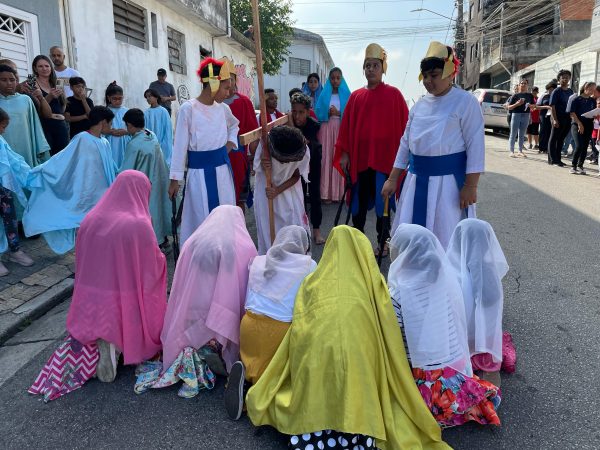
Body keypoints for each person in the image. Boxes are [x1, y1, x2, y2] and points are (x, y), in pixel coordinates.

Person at [246, 226, 450, 450]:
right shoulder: (374, 287)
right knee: (362, 371)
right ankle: (355, 432)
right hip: (360, 378)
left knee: (304, 378)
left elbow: (300, 326)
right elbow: (388, 329)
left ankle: (314, 434)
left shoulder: (311, 282)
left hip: (316, 374)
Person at [29, 170, 167, 401]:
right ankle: (127, 344)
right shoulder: (138, 224)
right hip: (124, 293)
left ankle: (106, 342)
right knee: (144, 294)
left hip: (91, 295)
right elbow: (150, 267)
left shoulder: (91, 218)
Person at [388, 224, 501, 428]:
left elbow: (389, 342)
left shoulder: (397, 295)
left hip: (424, 381)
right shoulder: (443, 282)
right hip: (455, 372)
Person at [145, 206, 257, 398]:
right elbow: (245, 286)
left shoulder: (193, 241)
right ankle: (216, 350)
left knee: (194, 330)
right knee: (221, 325)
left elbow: (180, 285)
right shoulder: (241, 245)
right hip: (220, 315)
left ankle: (195, 352)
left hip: (190, 313)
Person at [382, 42, 484, 249]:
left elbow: (476, 146)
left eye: (434, 75)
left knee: (445, 237)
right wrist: (392, 178)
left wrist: (471, 186)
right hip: (416, 182)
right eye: (426, 76)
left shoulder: (466, 102)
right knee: (414, 241)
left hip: (448, 186)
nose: (428, 81)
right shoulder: (419, 106)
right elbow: (405, 144)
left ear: (450, 72)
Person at [224, 225, 316, 420]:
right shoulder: (309, 265)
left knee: (256, 362)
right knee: (277, 379)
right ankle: (253, 394)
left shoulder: (258, 260)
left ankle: (245, 378)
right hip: (278, 331)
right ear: (304, 246)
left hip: (248, 325)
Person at [335, 43, 409, 256]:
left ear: (383, 68)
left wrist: (402, 160)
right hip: (360, 159)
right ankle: (358, 242)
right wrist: (345, 154)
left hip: (384, 160)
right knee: (357, 203)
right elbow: (346, 129)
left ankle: (382, 242)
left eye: (375, 65)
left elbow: (407, 128)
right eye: (367, 65)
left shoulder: (394, 95)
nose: (371, 69)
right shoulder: (356, 97)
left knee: (381, 203)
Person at [22, 106, 118, 254]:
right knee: (83, 220)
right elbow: (63, 159)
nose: (111, 127)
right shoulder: (82, 139)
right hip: (85, 190)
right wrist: (42, 170)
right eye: (110, 123)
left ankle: (97, 250)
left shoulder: (104, 142)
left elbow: (110, 165)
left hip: (102, 190)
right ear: (103, 122)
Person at [168, 58, 239, 245]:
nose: (229, 93)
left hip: (222, 173)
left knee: (224, 217)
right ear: (213, 83)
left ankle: (227, 252)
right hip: (199, 175)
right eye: (226, 88)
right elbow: (179, 146)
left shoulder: (223, 109)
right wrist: (175, 179)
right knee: (201, 218)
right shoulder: (188, 109)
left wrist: (229, 145)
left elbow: (234, 126)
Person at [446, 218, 510, 387]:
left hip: (453, 346)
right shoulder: (489, 273)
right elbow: (491, 314)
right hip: (482, 345)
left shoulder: (447, 271)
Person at [253, 125, 310, 255]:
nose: (285, 164)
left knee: (291, 227)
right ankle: (271, 261)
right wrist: (263, 162)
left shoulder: (301, 148)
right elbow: (254, 160)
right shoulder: (265, 147)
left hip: (290, 192)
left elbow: (296, 176)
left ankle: (294, 260)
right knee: (269, 233)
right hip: (267, 194)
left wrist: (278, 190)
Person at [121, 108, 171, 248]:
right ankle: (162, 238)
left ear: (130, 125)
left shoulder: (134, 144)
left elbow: (127, 170)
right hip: (158, 180)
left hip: (142, 185)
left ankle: (151, 242)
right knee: (159, 208)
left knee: (148, 210)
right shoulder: (151, 135)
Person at [0, 108, 34, 276]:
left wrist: (32, 173)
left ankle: (15, 250)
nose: (4, 130)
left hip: (3, 189)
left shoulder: (1, 140)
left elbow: (13, 160)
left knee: (10, 219)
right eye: (2, 126)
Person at [221, 57, 258, 209]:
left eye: (230, 78)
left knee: (238, 200)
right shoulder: (213, 103)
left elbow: (254, 132)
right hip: (217, 154)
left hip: (238, 154)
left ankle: (238, 224)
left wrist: (254, 157)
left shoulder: (244, 102)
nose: (227, 83)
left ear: (235, 80)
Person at [291, 93, 324, 245]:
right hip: (297, 164)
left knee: (315, 195)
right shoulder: (289, 122)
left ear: (308, 112)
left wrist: (290, 124)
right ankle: (303, 230)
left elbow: (302, 141)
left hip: (313, 161)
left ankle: (316, 230)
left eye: (301, 112)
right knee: (300, 196)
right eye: (294, 111)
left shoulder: (313, 125)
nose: (297, 116)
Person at [0, 64, 50, 167]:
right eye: (3, 80)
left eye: (12, 80)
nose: (9, 83)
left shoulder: (26, 100)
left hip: (25, 148)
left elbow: (35, 127)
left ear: (17, 81)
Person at [315, 67, 351, 203]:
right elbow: (318, 111)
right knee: (326, 158)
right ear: (329, 79)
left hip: (341, 129)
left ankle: (339, 194)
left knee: (339, 157)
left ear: (341, 79)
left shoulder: (348, 95)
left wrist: (338, 113)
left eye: (338, 78)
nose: (335, 80)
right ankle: (326, 194)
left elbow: (351, 113)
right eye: (332, 78)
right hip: (326, 128)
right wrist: (327, 113)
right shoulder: (324, 94)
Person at [32, 55, 69, 156]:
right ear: (35, 68)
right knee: (50, 157)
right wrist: (50, 97)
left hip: (61, 126)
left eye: (47, 66)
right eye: (40, 66)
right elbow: (36, 107)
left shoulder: (57, 82)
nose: (44, 69)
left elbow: (63, 105)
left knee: (63, 157)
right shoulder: (33, 83)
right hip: (45, 126)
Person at [568, 81, 596, 175]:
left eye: (594, 90)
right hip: (577, 124)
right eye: (591, 89)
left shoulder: (592, 100)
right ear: (585, 88)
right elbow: (572, 113)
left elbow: (593, 112)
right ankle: (573, 166)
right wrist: (579, 123)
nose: (592, 92)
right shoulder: (577, 99)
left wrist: (595, 115)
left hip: (589, 125)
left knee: (584, 146)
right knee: (579, 145)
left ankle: (580, 166)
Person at [547, 69, 573, 167]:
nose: (565, 79)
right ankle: (552, 160)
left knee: (561, 139)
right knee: (554, 138)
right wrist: (554, 119)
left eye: (567, 77)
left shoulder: (570, 91)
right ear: (559, 79)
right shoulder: (556, 91)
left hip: (567, 118)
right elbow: (552, 106)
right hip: (557, 117)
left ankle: (558, 159)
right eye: (563, 78)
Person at [143, 88, 173, 165]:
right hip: (150, 144)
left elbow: (168, 129)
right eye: (146, 97)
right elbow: (144, 129)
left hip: (163, 143)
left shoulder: (163, 111)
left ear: (156, 97)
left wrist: (164, 143)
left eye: (150, 96)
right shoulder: (146, 113)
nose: (148, 99)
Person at [104, 82, 131, 167]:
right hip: (110, 141)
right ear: (109, 98)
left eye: (120, 99)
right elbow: (100, 129)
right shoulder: (104, 111)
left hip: (125, 141)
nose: (117, 101)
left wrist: (126, 132)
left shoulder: (127, 111)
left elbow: (135, 128)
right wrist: (109, 131)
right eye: (114, 99)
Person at [506, 78, 534, 158]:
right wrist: (517, 104)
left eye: (525, 83)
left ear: (527, 85)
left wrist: (530, 106)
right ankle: (511, 151)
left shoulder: (530, 96)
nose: (523, 85)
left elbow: (534, 106)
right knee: (513, 133)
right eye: (522, 83)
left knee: (522, 134)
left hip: (526, 115)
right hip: (516, 114)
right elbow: (508, 107)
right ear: (519, 85)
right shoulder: (515, 95)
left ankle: (520, 151)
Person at [536, 80, 557, 153]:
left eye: (553, 89)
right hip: (544, 116)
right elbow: (537, 107)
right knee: (543, 131)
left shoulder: (556, 96)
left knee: (550, 132)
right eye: (550, 89)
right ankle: (541, 148)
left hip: (553, 116)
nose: (551, 90)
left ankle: (548, 148)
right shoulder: (544, 95)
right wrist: (546, 107)